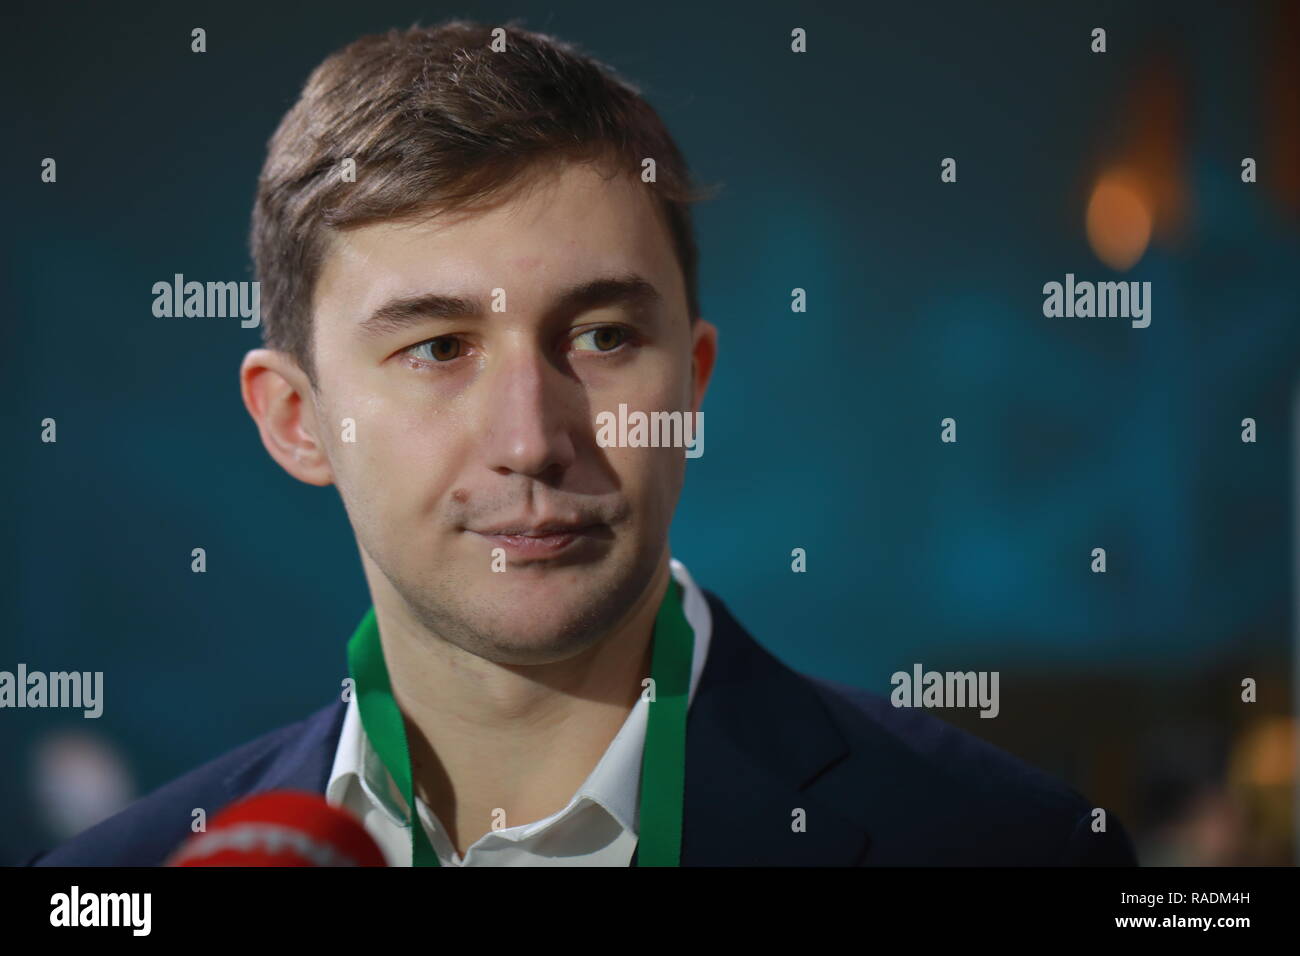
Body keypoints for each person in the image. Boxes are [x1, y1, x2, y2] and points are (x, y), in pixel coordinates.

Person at [29, 19, 1136, 867]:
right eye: (436, 347)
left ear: (691, 381)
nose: (531, 439)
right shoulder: (108, 879)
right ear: (295, 419)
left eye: (602, 336)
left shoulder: (1007, 846)